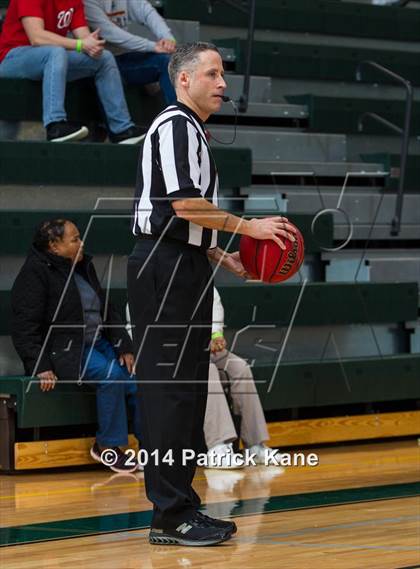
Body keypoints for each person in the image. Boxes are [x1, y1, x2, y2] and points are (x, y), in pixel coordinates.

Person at [127, 42, 297, 546]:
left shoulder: (192, 129)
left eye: (223, 74)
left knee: (189, 390)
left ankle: (183, 507)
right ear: (183, 80)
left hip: (184, 263)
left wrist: (223, 255)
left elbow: (185, 217)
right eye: (213, 73)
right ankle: (168, 515)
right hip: (163, 267)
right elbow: (183, 206)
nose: (223, 83)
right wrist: (252, 228)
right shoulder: (176, 126)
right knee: (169, 393)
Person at [11, 219, 141, 473]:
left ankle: (150, 450)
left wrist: (124, 346)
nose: (81, 244)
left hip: (98, 342)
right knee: (111, 375)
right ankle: (107, 448)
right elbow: (24, 325)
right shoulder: (35, 274)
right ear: (54, 246)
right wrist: (39, 365)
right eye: (75, 239)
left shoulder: (82, 267)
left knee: (137, 379)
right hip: (66, 349)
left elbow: (108, 310)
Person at [0, 0, 145, 143]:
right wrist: (81, 45)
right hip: (10, 58)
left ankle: (121, 130)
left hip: (50, 59)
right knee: (56, 52)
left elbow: (83, 37)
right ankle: (55, 125)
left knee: (104, 58)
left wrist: (93, 45)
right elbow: (37, 37)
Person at [205, 288, 284, 470]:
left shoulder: (198, 270)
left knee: (240, 368)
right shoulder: (156, 271)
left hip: (203, 346)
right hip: (172, 350)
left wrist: (215, 335)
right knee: (206, 371)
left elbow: (214, 305)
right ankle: (218, 447)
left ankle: (254, 445)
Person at [84, 0, 176, 104]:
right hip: (100, 62)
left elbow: (147, 13)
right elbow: (111, 33)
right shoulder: (88, 2)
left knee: (168, 61)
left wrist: (168, 39)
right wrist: (153, 46)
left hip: (125, 56)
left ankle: (182, 116)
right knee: (162, 61)